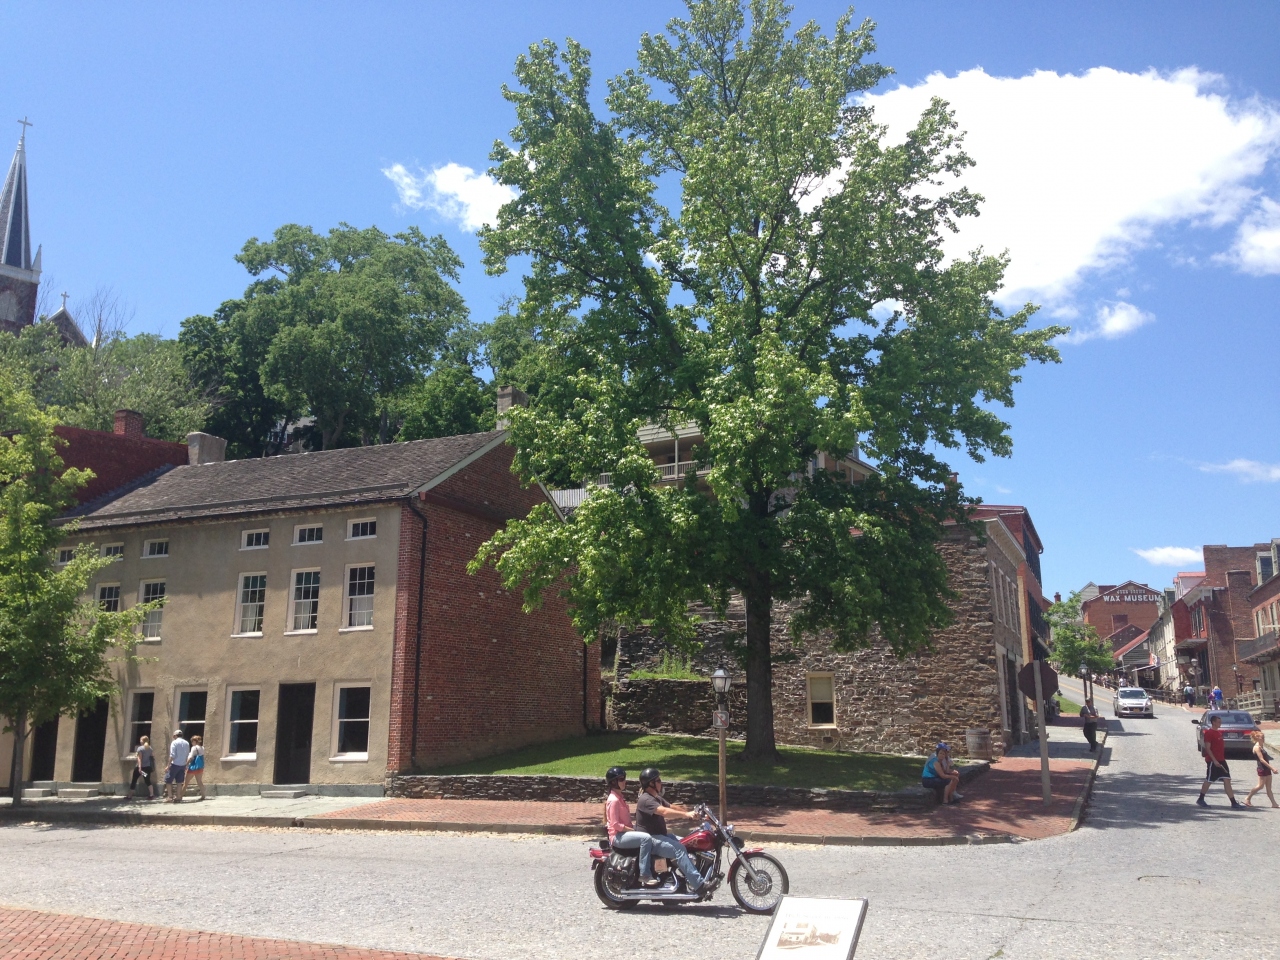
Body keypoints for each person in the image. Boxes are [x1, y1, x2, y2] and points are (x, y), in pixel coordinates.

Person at [636, 767, 706, 893]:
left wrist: (690, 813)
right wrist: (686, 815)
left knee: (688, 842)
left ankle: (687, 875)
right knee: (679, 849)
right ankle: (699, 885)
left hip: (661, 836)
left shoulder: (656, 797)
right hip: (651, 839)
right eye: (658, 780)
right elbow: (664, 811)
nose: (661, 783)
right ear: (651, 784)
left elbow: (670, 806)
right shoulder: (646, 799)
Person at [603, 766, 657, 886]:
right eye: (621, 779)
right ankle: (645, 874)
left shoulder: (619, 798)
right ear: (613, 782)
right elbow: (615, 824)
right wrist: (632, 830)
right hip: (618, 836)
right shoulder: (614, 800)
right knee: (645, 838)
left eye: (624, 778)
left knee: (648, 832)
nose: (624, 781)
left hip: (623, 833)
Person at [1197, 714, 1242, 808]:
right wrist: (1214, 760)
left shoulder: (1218, 733)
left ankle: (1233, 803)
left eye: (1220, 722)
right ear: (1213, 722)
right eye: (1218, 722)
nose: (1220, 723)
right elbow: (1208, 748)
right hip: (1213, 761)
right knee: (1209, 780)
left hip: (1221, 760)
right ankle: (1200, 799)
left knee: (1227, 779)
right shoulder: (1209, 733)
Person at [1245, 730, 1279, 808]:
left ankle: (1274, 804)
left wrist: (1270, 768)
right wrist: (1272, 768)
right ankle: (1248, 798)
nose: (1263, 738)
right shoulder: (1256, 747)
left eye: (1264, 737)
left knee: (1269, 787)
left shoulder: (1261, 746)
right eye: (1262, 737)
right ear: (1257, 738)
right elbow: (1261, 760)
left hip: (1267, 768)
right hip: (1262, 768)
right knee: (1260, 786)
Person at [164, 728, 190, 803]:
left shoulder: (174, 742)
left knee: (168, 780)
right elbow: (187, 754)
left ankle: (170, 796)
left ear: (175, 736)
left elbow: (172, 755)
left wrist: (168, 765)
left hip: (174, 764)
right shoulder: (186, 743)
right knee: (179, 782)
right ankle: (178, 797)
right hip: (182, 764)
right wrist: (186, 765)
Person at [129, 735, 155, 800]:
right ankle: (151, 795)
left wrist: (139, 768)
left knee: (134, 780)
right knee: (147, 780)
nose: (140, 741)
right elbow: (152, 758)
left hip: (140, 768)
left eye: (141, 740)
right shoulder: (150, 748)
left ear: (143, 741)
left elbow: (139, 759)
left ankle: (130, 796)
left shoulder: (140, 748)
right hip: (147, 768)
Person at [181, 735, 206, 801]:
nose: (191, 743)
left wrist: (186, 764)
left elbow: (191, 757)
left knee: (186, 783)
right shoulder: (202, 748)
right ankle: (203, 795)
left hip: (193, 767)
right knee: (199, 782)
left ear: (195, 741)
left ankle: (180, 796)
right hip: (200, 766)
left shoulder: (194, 748)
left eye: (192, 741)